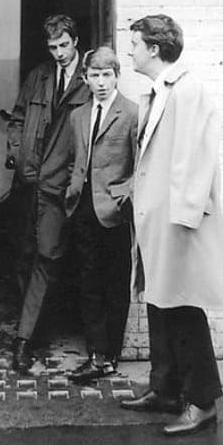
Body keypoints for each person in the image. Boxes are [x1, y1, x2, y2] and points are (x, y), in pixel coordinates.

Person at [120, 14, 223, 436]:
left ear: (154, 48)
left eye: (134, 43)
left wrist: (185, 219)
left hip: (176, 222)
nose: (129, 50)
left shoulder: (188, 90)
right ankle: (166, 389)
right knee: (159, 302)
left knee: (183, 307)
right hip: (156, 220)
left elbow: (198, 155)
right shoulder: (158, 92)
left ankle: (202, 401)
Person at [7, 14, 90, 374]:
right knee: (25, 256)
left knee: (47, 257)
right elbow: (18, 117)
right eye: (52, 46)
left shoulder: (89, 82)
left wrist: (74, 177)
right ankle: (34, 328)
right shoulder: (38, 76)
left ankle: (23, 339)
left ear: (75, 42)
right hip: (28, 184)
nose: (58, 52)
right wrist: (16, 152)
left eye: (64, 45)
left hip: (59, 188)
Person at [64, 47, 137, 383]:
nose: (101, 82)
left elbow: (144, 163)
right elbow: (73, 160)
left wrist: (126, 192)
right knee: (88, 283)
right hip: (82, 209)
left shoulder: (133, 113)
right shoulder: (77, 115)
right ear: (85, 78)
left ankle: (110, 355)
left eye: (107, 75)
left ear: (117, 76)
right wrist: (70, 190)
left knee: (115, 283)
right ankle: (97, 355)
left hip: (114, 211)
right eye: (94, 75)